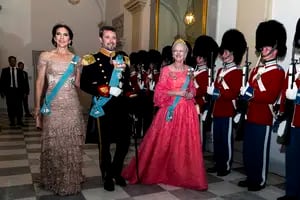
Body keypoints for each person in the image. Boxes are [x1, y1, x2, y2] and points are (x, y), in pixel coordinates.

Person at [122, 38, 208, 191]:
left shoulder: (190, 70)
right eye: (176, 51)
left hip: (187, 111)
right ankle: (161, 171)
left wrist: (189, 94)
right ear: (172, 53)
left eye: (181, 51)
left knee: (183, 144)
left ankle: (182, 174)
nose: (178, 54)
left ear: (186, 53)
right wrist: (178, 92)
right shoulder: (166, 70)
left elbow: (193, 90)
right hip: (170, 109)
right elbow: (159, 92)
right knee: (164, 142)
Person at [34, 23, 85, 196]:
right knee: (54, 143)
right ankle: (53, 179)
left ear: (70, 39)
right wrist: (37, 107)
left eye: (65, 35)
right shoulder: (45, 56)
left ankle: (69, 181)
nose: (62, 37)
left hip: (71, 104)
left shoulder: (77, 60)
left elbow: (78, 84)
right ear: (54, 37)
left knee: (70, 143)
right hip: (52, 105)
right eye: (58, 34)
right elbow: (40, 82)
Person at [80, 25, 132, 192]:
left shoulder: (124, 60)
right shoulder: (91, 59)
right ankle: (107, 175)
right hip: (104, 107)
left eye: (114, 38)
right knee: (105, 144)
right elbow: (84, 84)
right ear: (101, 39)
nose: (111, 40)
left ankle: (116, 172)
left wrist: (129, 95)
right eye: (108, 37)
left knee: (124, 143)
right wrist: (107, 90)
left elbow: (128, 84)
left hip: (122, 107)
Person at [238, 20, 286, 191]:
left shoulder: (278, 71)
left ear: (275, 49)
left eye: (267, 48)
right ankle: (250, 176)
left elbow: (270, 96)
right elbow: (250, 91)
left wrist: (251, 93)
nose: (263, 51)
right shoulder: (256, 69)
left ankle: (259, 180)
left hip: (264, 116)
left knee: (259, 151)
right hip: (250, 115)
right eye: (263, 47)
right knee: (249, 150)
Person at [207, 29, 247, 176]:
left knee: (226, 140)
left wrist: (217, 90)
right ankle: (218, 162)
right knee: (217, 139)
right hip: (217, 110)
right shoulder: (219, 71)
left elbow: (232, 93)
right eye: (222, 52)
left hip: (228, 111)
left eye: (225, 52)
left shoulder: (237, 72)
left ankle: (225, 165)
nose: (223, 55)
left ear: (233, 53)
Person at [276, 18, 300, 200]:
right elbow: (284, 93)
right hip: (292, 120)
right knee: (292, 159)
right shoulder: (294, 66)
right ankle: (291, 193)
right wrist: (282, 111)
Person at [193, 35, 219, 152]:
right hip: (190, 106)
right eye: (197, 56)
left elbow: (200, 91)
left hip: (199, 108)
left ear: (206, 58)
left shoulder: (206, 74)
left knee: (198, 137)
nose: (198, 59)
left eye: (201, 57)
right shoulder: (195, 71)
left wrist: (192, 81)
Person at [0, 56, 26, 126]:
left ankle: (19, 121)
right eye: (11, 61)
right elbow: (2, 82)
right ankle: (12, 121)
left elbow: (23, 82)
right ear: (9, 61)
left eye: (14, 61)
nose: (13, 62)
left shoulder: (20, 71)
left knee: (19, 106)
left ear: (15, 61)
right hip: (9, 91)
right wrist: (2, 92)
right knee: (10, 106)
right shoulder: (5, 70)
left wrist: (24, 92)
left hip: (18, 91)